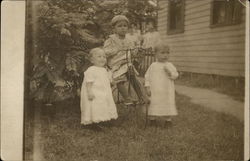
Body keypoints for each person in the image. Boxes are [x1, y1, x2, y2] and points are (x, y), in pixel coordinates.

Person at [104, 15, 148, 105]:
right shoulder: (111, 40)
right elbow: (105, 52)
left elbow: (132, 53)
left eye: (125, 26)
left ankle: (141, 97)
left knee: (133, 78)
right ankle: (127, 99)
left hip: (127, 63)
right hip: (115, 64)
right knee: (119, 79)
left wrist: (137, 51)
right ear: (114, 29)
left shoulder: (129, 40)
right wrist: (115, 50)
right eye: (119, 26)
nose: (123, 28)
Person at [80, 48, 118, 129]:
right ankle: (93, 123)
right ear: (92, 60)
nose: (102, 59)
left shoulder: (104, 70)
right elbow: (88, 82)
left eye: (104, 57)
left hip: (103, 93)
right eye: (99, 56)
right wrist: (89, 92)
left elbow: (106, 80)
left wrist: (111, 82)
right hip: (94, 93)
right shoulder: (91, 70)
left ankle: (103, 119)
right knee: (95, 106)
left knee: (103, 106)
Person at [144, 43, 178, 127]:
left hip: (167, 90)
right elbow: (147, 76)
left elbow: (175, 75)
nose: (165, 55)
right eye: (162, 53)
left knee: (167, 104)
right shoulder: (153, 66)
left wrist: (170, 73)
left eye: (167, 53)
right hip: (155, 90)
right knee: (154, 103)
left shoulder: (169, 65)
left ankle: (168, 120)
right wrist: (147, 87)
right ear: (155, 54)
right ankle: (152, 120)